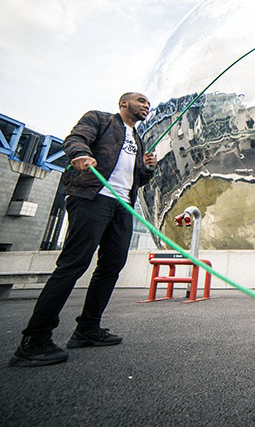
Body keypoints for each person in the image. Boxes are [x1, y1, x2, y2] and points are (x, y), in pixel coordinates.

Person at [9, 92, 157, 367]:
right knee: (73, 264)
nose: (146, 106)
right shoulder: (99, 119)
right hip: (92, 197)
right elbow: (75, 140)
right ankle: (35, 340)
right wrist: (80, 154)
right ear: (123, 103)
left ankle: (87, 328)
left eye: (148, 103)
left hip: (122, 205)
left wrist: (147, 169)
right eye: (140, 101)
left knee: (112, 266)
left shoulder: (138, 139)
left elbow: (137, 178)